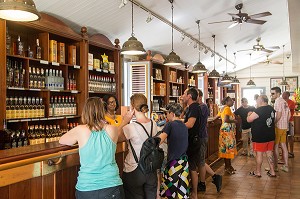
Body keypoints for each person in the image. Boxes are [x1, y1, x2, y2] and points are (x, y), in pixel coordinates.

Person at [59, 97, 124, 199]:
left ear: (85, 111)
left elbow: (62, 140)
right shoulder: (112, 129)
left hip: (87, 187)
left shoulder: (80, 130)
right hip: (111, 184)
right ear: (103, 111)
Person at [118, 93, 158, 199]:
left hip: (134, 170)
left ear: (132, 107)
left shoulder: (130, 127)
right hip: (151, 169)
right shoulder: (153, 123)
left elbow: (114, 137)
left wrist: (124, 121)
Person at [158, 103, 190, 198]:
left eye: (166, 113)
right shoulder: (184, 126)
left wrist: (150, 142)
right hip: (184, 162)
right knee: (182, 192)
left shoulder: (170, 125)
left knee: (168, 191)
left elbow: (160, 139)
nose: (166, 115)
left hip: (174, 162)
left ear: (171, 113)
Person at [197, 89, 222, 193]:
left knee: (200, 161)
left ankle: (203, 183)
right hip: (201, 136)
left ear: (198, 96)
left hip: (200, 137)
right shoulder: (200, 107)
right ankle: (214, 177)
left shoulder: (202, 107)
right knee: (200, 161)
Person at [247, 95, 276, 177]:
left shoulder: (258, 110)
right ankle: (272, 171)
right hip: (270, 135)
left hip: (260, 135)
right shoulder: (271, 108)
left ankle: (258, 172)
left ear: (262, 101)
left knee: (259, 154)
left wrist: (249, 114)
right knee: (269, 153)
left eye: (258, 100)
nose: (257, 101)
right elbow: (275, 119)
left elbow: (249, 120)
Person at [181, 88, 202, 199]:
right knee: (191, 166)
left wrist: (177, 125)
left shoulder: (194, 107)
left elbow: (190, 124)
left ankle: (194, 193)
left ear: (189, 96)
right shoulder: (191, 107)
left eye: (184, 94)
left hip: (193, 141)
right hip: (192, 140)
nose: (183, 95)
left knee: (192, 167)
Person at [214, 96, 238, 175]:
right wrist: (234, 120)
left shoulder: (222, 108)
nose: (233, 102)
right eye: (231, 100)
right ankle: (228, 167)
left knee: (225, 149)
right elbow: (226, 119)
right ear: (227, 101)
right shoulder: (227, 108)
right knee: (228, 149)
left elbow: (216, 117)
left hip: (224, 131)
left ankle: (228, 166)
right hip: (227, 132)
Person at [271, 87, 290, 172]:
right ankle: (286, 166)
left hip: (278, 126)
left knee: (275, 146)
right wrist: (285, 122)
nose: (271, 95)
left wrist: (273, 123)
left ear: (278, 93)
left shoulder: (278, 101)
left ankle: (275, 167)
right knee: (283, 146)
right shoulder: (284, 101)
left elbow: (278, 115)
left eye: (273, 93)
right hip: (284, 126)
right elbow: (289, 114)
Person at [282, 91, 296, 158]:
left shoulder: (291, 102)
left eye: (284, 94)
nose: (282, 95)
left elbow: (287, 110)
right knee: (284, 138)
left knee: (290, 137)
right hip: (284, 122)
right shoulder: (282, 102)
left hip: (290, 121)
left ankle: (291, 152)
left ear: (287, 95)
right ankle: (286, 152)